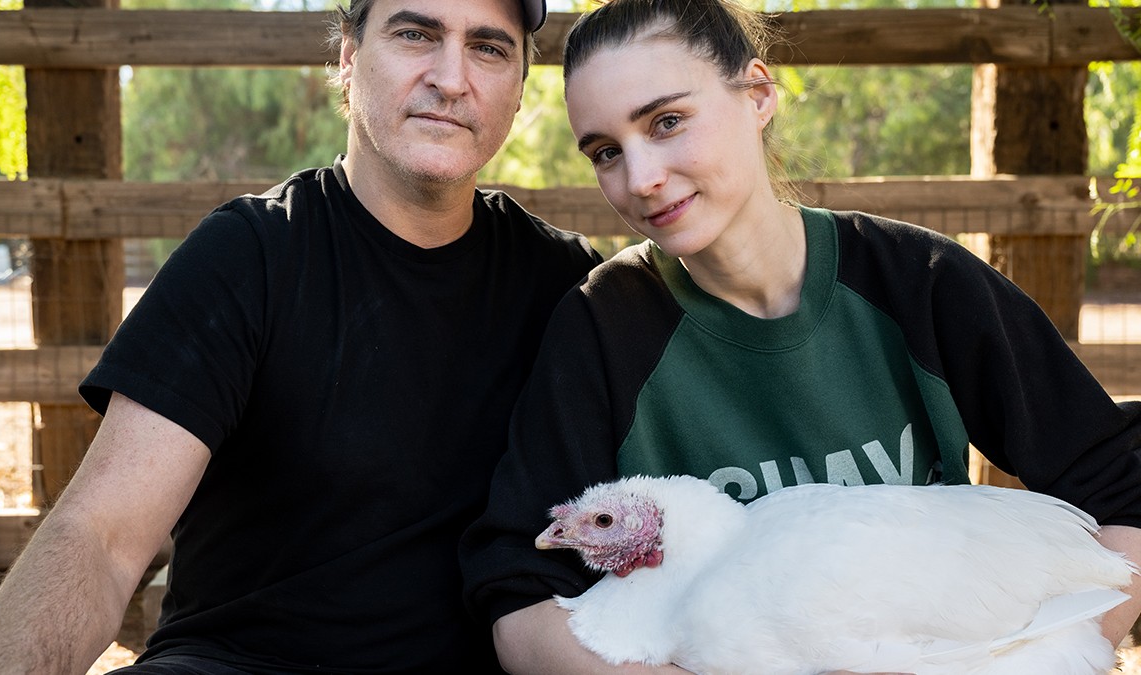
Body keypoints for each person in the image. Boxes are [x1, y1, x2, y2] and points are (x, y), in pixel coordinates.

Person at [460, 0, 1141, 672]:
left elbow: (1122, 487)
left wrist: (1059, 647)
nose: (641, 179)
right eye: (606, 152)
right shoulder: (603, 325)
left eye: (667, 121)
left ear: (758, 93)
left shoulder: (919, 282)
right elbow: (519, 602)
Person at [0, 1, 603, 673]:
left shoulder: (572, 290)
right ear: (348, 58)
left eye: (488, 48)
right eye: (415, 34)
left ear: (518, 89)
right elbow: (100, 538)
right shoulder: (248, 257)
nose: (451, 78)